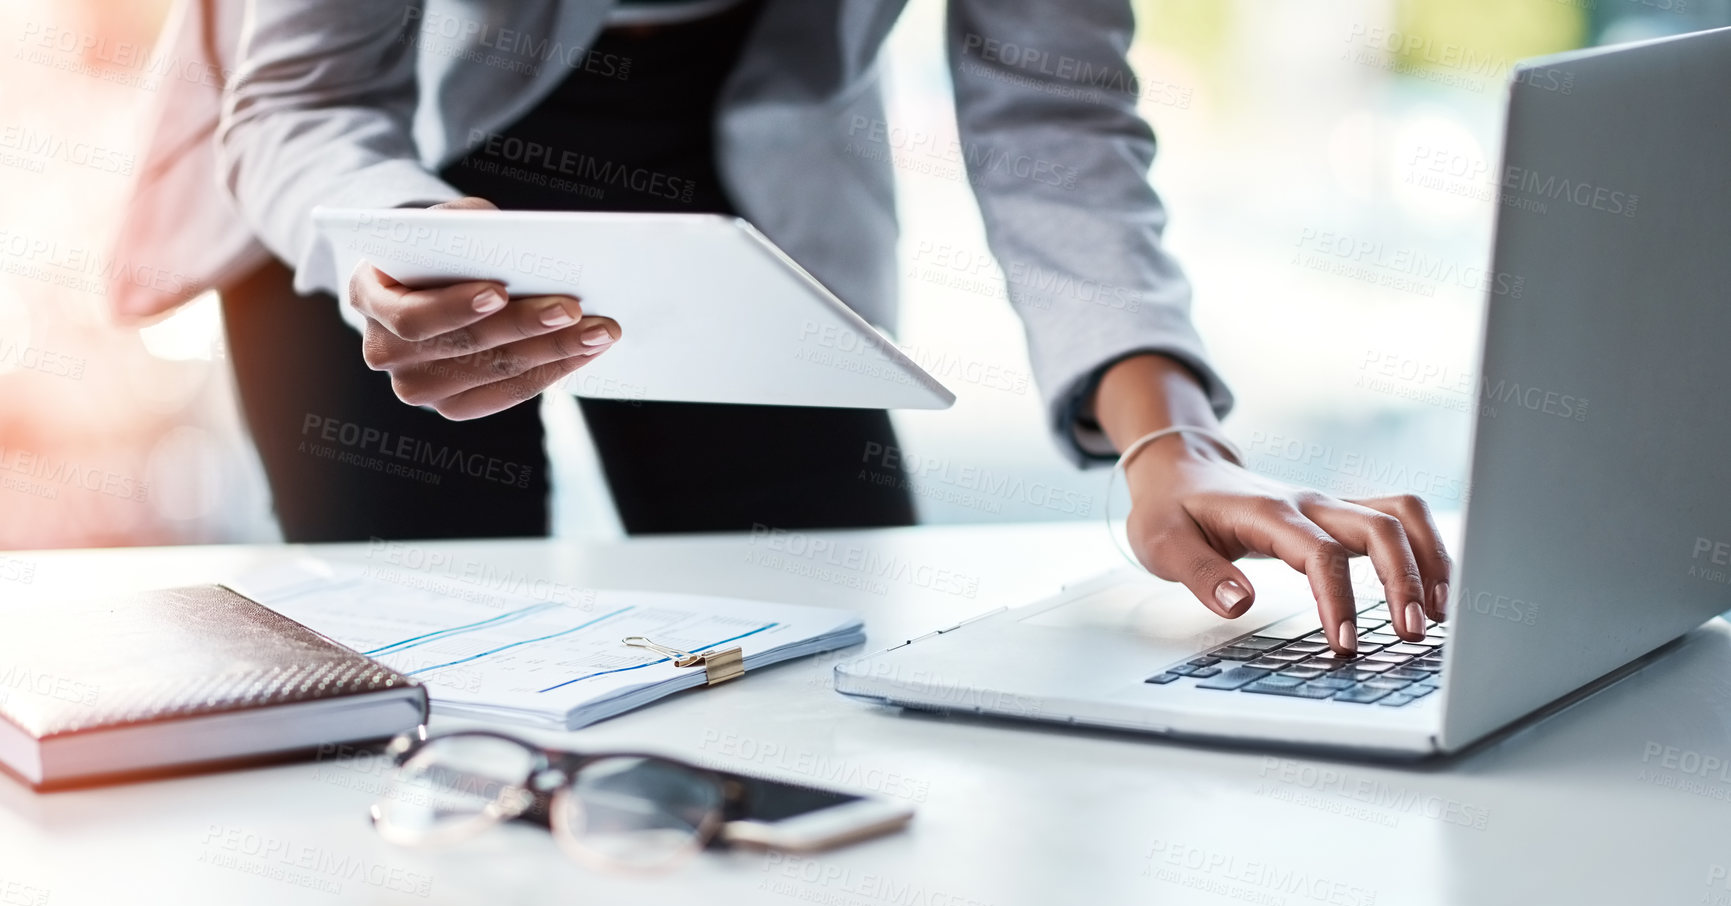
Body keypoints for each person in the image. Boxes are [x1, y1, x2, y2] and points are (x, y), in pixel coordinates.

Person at [214, 0, 1451, 656]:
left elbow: (1054, 120)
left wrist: (1172, 441)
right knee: (432, 667)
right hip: (383, 181)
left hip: (746, 153)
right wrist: (391, 249)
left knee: (827, 657)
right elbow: (304, 96)